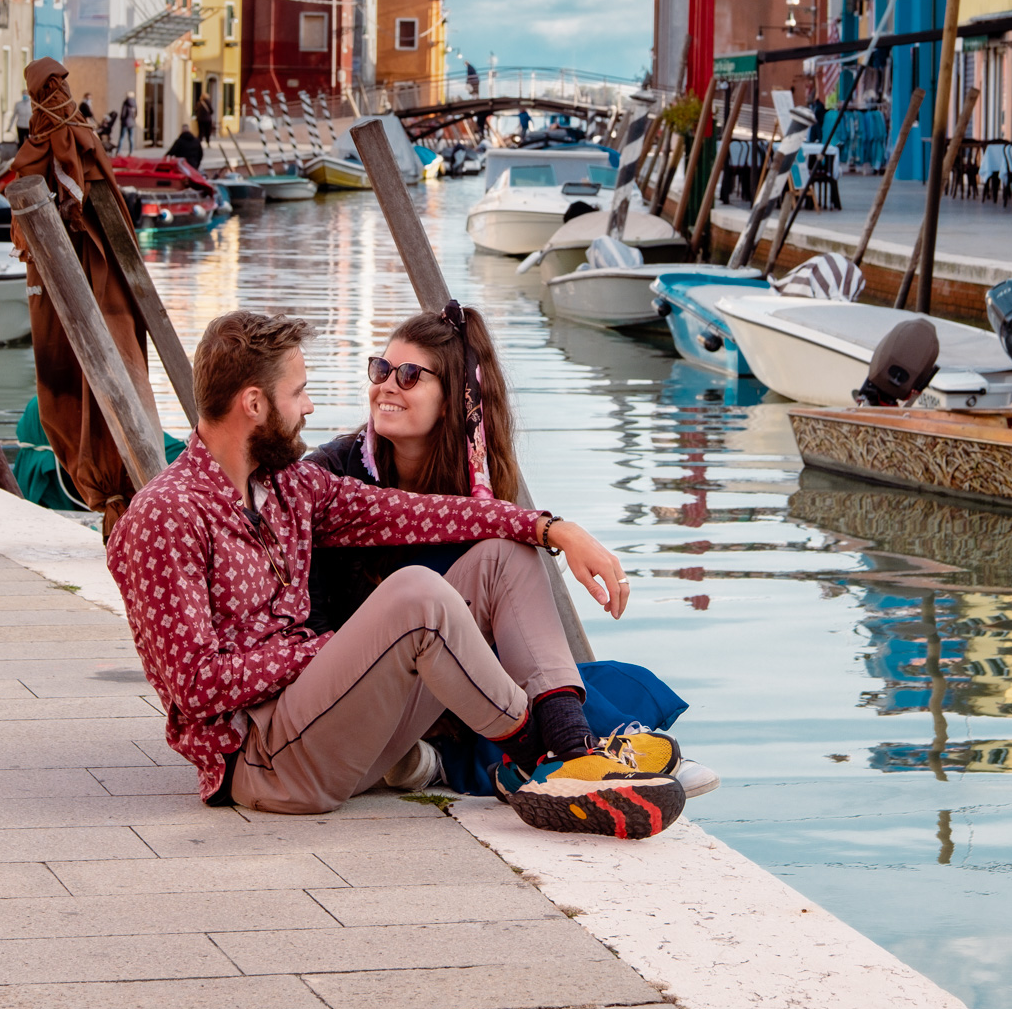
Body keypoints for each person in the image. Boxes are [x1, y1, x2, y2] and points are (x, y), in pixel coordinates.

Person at [107, 311, 687, 837]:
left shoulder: (290, 486)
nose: (309, 408)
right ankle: (542, 756)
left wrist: (549, 528)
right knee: (415, 593)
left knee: (503, 555)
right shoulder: (166, 516)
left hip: (336, 734)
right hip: (266, 764)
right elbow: (196, 686)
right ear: (254, 404)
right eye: (299, 392)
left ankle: (571, 750)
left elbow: (416, 514)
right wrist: (336, 651)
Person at [309, 307, 715, 801]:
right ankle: (585, 748)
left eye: (409, 375)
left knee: (594, 677)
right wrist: (557, 531)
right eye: (381, 369)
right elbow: (317, 623)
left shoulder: (476, 480)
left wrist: (556, 530)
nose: (387, 386)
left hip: (461, 680)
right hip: (368, 684)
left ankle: (547, 749)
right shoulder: (333, 475)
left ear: (455, 397)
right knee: (503, 579)